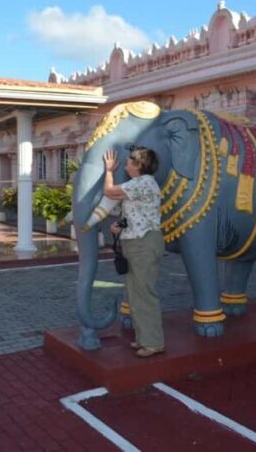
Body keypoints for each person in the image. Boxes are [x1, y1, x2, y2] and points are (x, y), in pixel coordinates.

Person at [103, 146, 165, 358]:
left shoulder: (143, 183)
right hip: (137, 243)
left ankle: (153, 342)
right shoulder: (139, 185)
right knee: (135, 294)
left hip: (143, 245)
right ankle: (143, 338)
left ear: (138, 165)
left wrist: (109, 171)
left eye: (130, 160)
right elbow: (138, 213)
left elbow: (109, 192)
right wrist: (121, 226)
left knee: (144, 294)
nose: (126, 163)